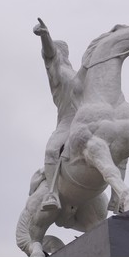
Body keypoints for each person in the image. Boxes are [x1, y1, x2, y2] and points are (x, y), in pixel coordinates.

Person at [32, 18, 78, 210]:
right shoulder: (57, 75)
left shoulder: (77, 74)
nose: (62, 54)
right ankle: (52, 193)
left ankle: (116, 197)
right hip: (68, 122)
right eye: (60, 51)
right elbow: (49, 55)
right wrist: (46, 36)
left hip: (88, 118)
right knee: (52, 150)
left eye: (64, 51)